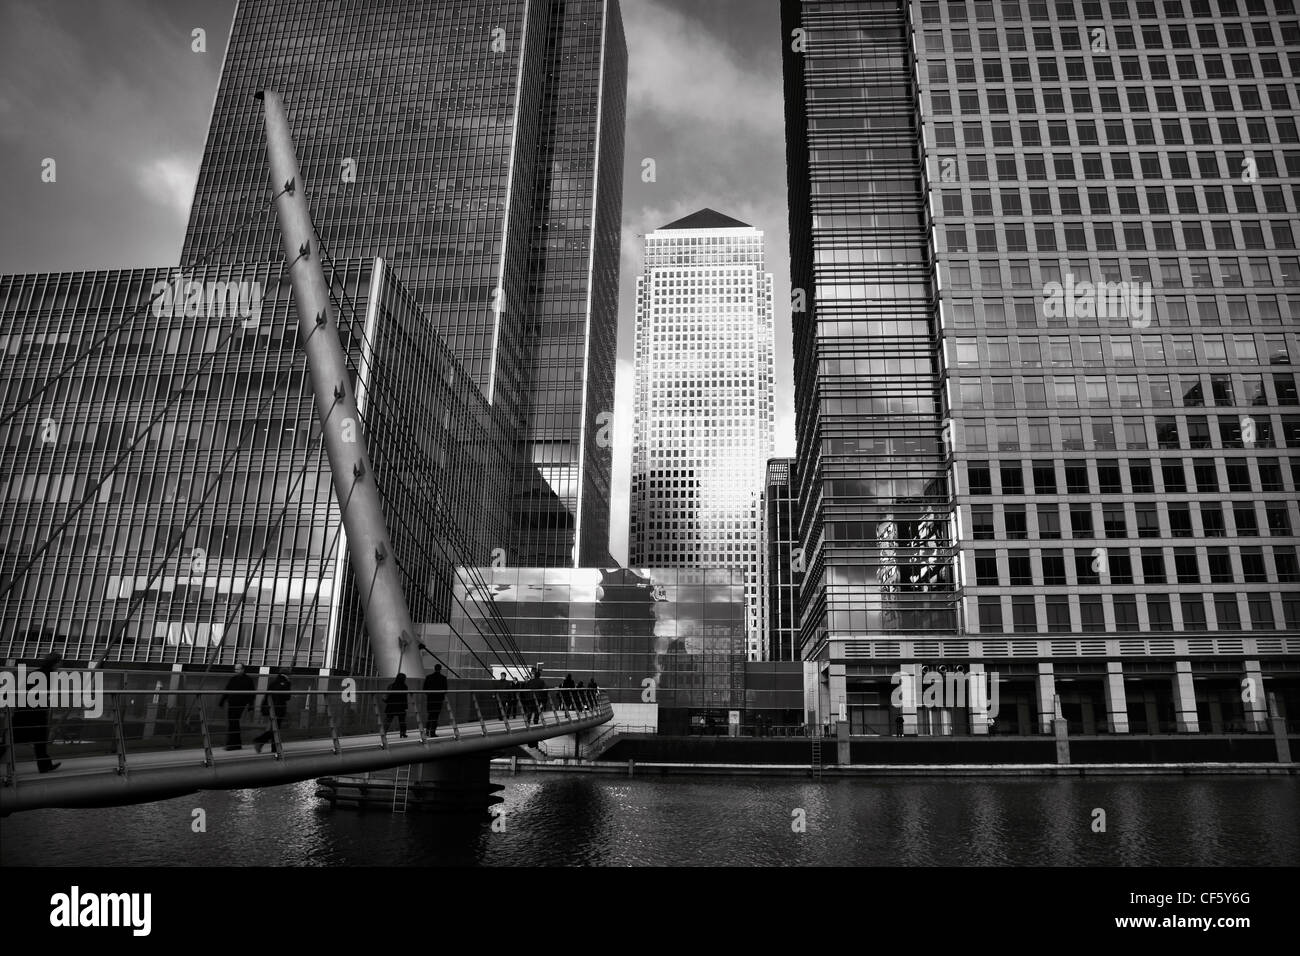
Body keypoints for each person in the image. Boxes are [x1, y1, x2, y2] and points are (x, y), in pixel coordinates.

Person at [7, 652, 63, 773]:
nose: (60, 664)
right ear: (55, 662)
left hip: (26, 711)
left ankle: (45, 765)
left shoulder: (38, 672)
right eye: (59, 661)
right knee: (34, 739)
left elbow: (24, 689)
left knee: (27, 738)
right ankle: (44, 766)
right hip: (34, 712)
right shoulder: (48, 674)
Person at [217, 663, 256, 751]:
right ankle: (236, 744)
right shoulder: (234, 679)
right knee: (233, 722)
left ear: (243, 669)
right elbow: (227, 690)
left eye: (238, 669)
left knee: (233, 722)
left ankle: (233, 744)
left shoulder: (247, 680)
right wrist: (222, 701)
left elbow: (251, 694)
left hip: (239, 703)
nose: (236, 671)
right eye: (236, 669)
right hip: (233, 703)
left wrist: (251, 706)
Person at [253, 669, 292, 754]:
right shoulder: (286, 682)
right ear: (287, 675)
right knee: (275, 728)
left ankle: (274, 747)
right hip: (279, 708)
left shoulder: (273, 682)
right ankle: (260, 740)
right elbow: (287, 697)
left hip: (271, 708)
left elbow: (267, 695)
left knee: (274, 728)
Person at [423, 663, 448, 733]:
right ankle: (432, 731)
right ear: (440, 669)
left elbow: (424, 688)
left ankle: (427, 730)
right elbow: (445, 689)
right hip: (438, 700)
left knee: (430, 715)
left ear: (434, 668)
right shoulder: (443, 678)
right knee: (435, 716)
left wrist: (429, 695)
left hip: (430, 699)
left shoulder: (429, 677)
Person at [384, 673, 409, 737]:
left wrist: (386, 701)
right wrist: (406, 706)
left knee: (388, 720)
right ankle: (402, 733)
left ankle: (384, 733)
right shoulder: (405, 687)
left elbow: (387, 695)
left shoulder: (391, 685)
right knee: (402, 720)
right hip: (401, 706)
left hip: (391, 705)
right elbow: (405, 697)